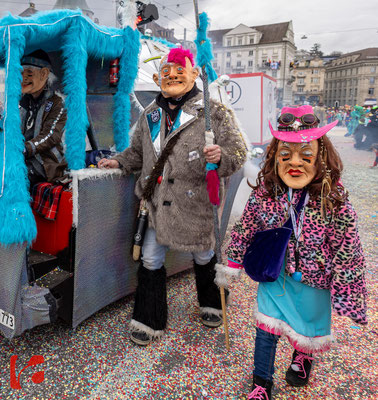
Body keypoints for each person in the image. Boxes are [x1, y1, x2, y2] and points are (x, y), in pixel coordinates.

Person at [98, 46, 247, 346]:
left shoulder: (214, 113)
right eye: (167, 72)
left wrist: (221, 156)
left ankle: (213, 303)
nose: (173, 75)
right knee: (151, 259)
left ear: (194, 74)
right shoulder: (150, 115)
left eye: (181, 70)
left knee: (204, 255)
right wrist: (121, 161)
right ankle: (148, 320)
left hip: (196, 205)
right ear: (157, 78)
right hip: (156, 205)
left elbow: (239, 151)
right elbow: (139, 152)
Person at [222, 105, 367, 399]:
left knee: (307, 331)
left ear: (321, 159)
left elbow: (347, 247)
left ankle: (303, 357)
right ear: (275, 158)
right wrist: (233, 262)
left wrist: (347, 290)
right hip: (275, 276)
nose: (295, 163)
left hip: (315, 282)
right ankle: (261, 383)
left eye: (306, 156)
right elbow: (246, 225)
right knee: (266, 330)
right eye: (285, 156)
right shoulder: (266, 192)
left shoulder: (333, 200)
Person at [20, 49, 67, 187]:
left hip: (46, 164)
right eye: (21, 73)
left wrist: (25, 148)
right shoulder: (21, 101)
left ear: (44, 74)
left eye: (29, 73)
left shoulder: (58, 103)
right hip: (24, 159)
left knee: (14, 176)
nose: (24, 78)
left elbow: (51, 135)